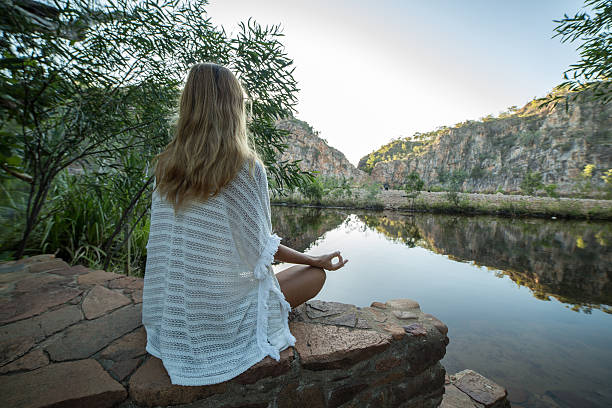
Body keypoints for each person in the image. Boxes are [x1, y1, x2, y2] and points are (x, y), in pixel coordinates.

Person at [142, 62, 348, 386]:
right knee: (314, 276)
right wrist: (314, 259)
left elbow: (163, 246)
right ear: (233, 109)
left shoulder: (166, 166)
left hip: (171, 313)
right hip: (220, 317)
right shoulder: (245, 168)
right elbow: (261, 251)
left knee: (255, 276)